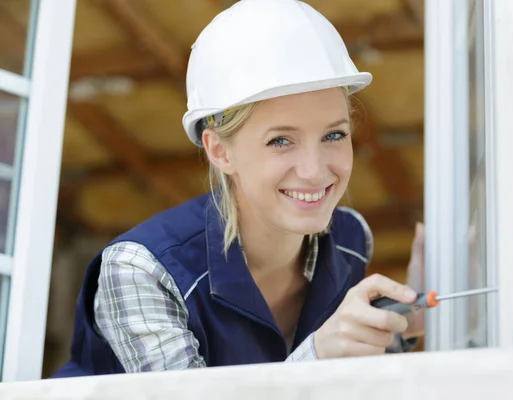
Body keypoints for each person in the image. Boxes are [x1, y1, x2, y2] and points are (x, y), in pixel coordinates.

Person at [52, 0, 425, 378]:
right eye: (280, 141)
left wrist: (401, 323)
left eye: (334, 134)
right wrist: (318, 354)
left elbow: (346, 371)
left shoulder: (349, 239)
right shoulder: (142, 271)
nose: (314, 171)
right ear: (219, 151)